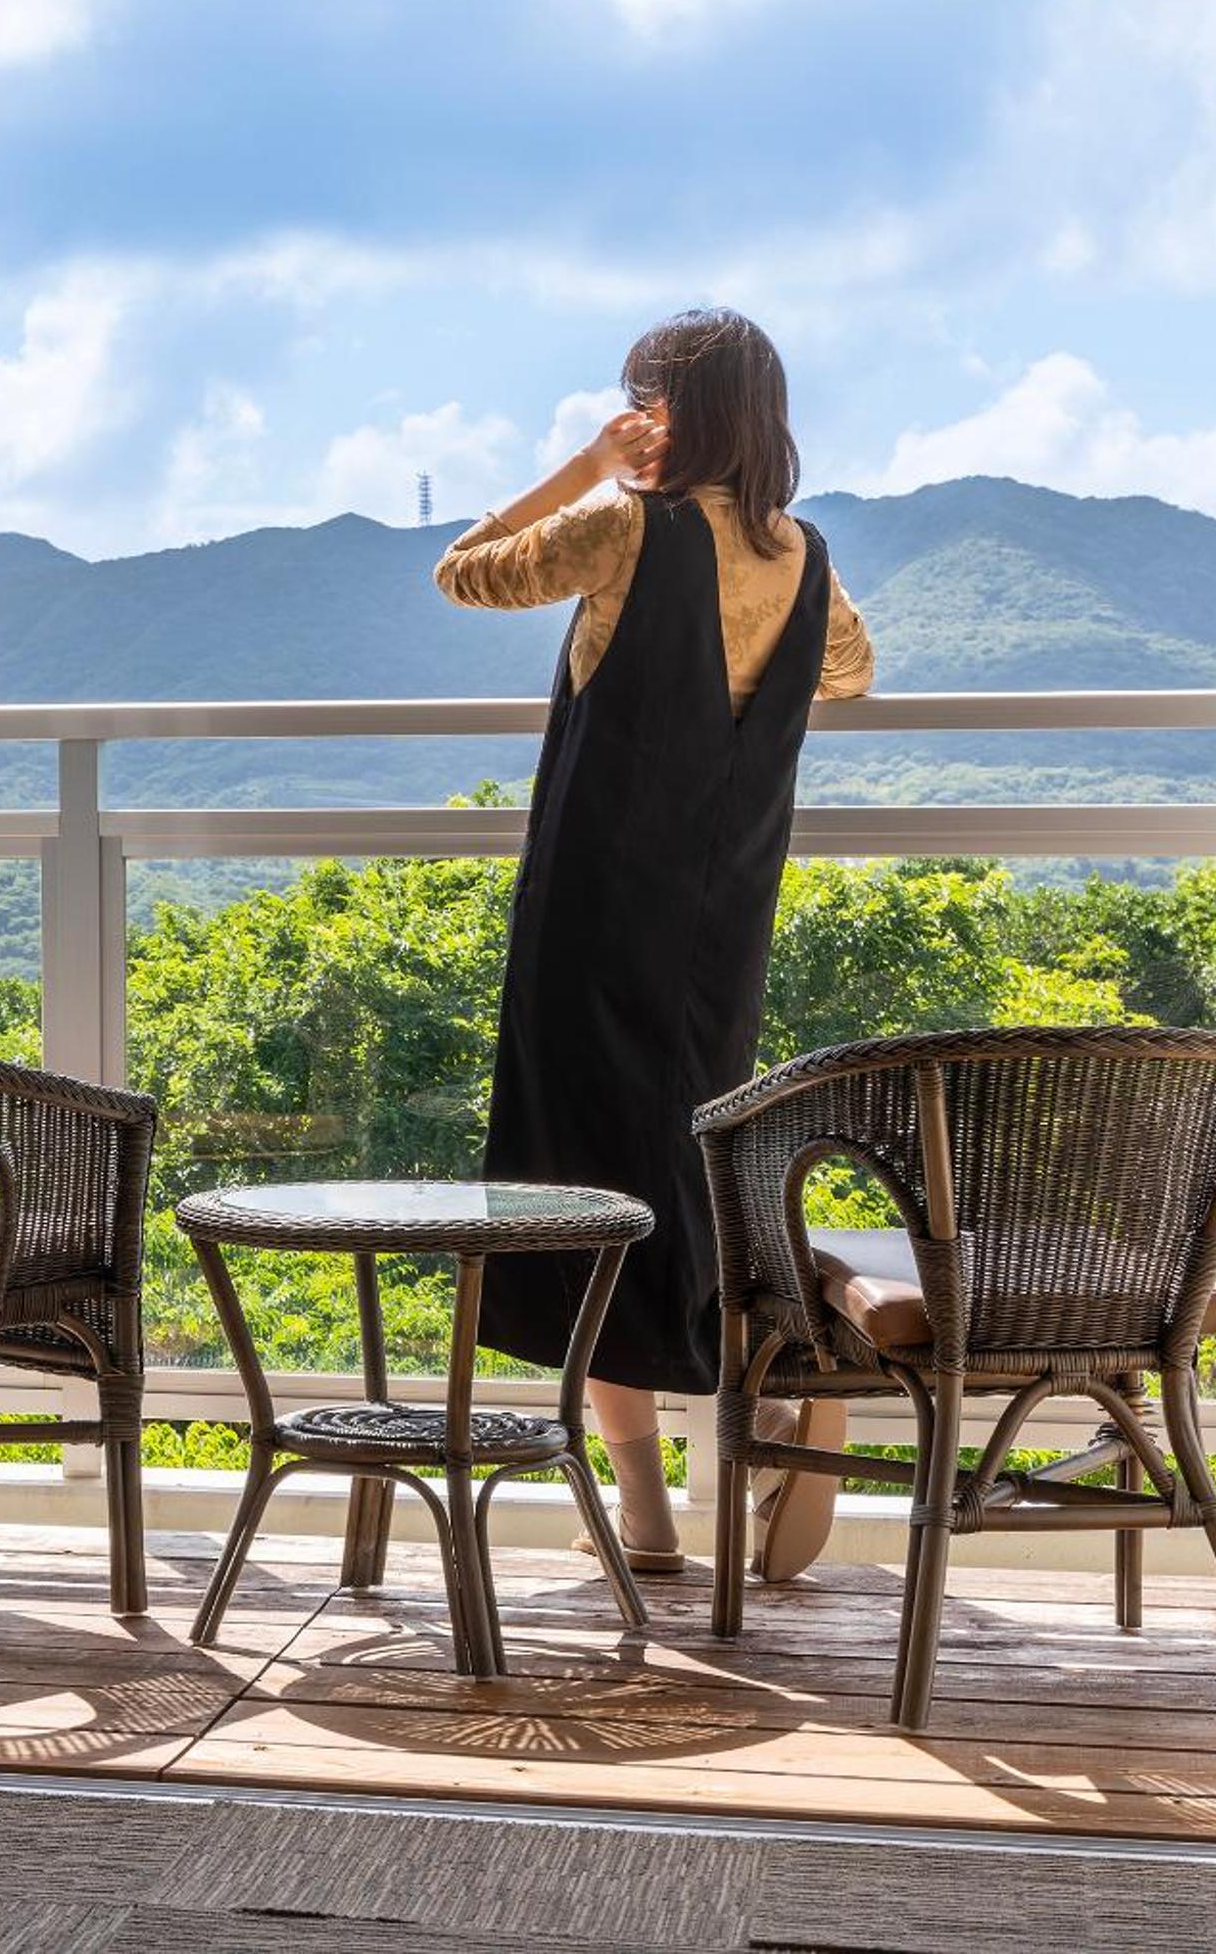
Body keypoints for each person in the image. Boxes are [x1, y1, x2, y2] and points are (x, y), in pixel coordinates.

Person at [434, 307, 874, 1584]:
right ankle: (762, 1393)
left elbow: (463, 571)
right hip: (718, 915)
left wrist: (586, 466)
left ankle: (644, 1509)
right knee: (690, 1167)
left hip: (592, 908)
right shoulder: (800, 553)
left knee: (580, 1184)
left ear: (670, 411)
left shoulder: (626, 524)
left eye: (644, 397)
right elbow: (847, 670)